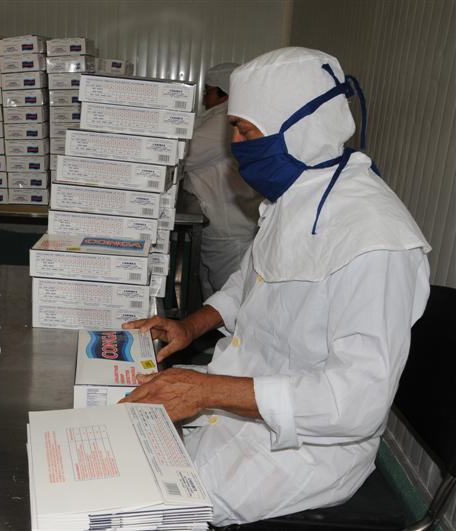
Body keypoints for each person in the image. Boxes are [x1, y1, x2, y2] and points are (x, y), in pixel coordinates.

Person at [123, 47, 431, 526]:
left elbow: (356, 403)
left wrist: (207, 391)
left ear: (302, 128)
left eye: (248, 132)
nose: (240, 147)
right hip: (238, 411)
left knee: (140, 508)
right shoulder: (294, 197)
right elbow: (250, 281)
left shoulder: (374, 239)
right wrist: (191, 327)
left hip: (305, 451)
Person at [180, 62, 262, 299]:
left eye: (208, 91)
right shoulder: (214, 117)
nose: (205, 97)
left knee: (233, 302)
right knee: (214, 297)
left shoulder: (222, 124)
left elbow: (183, 155)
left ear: (223, 92)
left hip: (230, 232)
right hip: (215, 226)